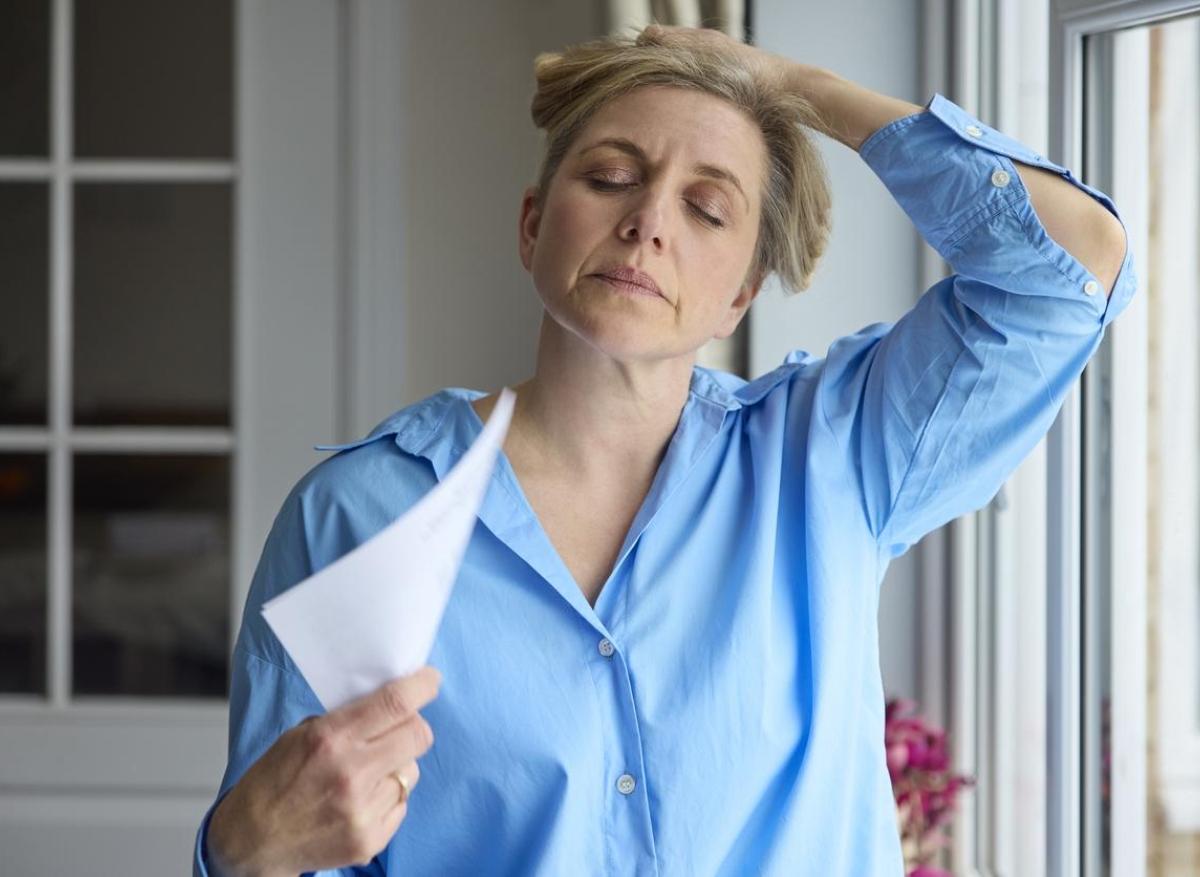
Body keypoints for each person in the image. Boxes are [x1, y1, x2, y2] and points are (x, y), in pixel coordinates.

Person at [195, 24, 1134, 876]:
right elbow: (286, 841)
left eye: (707, 207)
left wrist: (793, 84)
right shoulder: (358, 514)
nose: (647, 221)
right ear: (532, 225)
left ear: (743, 294)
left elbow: (1070, 267)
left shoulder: (835, 460)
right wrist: (239, 851)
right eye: (609, 177)